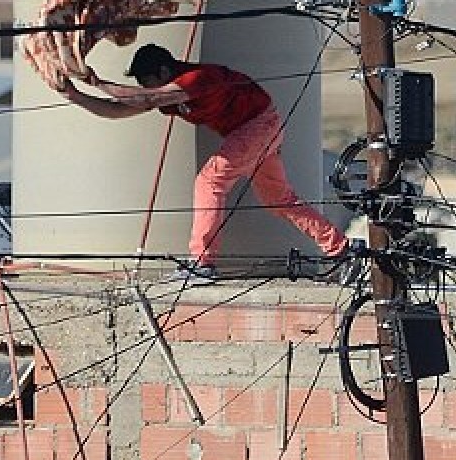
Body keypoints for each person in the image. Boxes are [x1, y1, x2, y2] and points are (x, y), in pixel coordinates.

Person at [59, 44, 350, 283]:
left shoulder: (198, 78)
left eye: (145, 80)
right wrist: (74, 95)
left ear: (164, 72)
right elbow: (117, 109)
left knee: (210, 181)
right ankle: (339, 247)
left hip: (256, 125)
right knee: (279, 199)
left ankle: (202, 263)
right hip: (263, 128)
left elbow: (146, 99)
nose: (142, 87)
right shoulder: (168, 94)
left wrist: (98, 82)